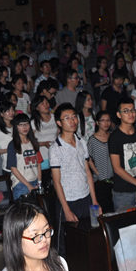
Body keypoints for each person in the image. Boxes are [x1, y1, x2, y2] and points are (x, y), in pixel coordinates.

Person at [49, 103, 100, 255]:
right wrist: (66, 210)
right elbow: (57, 182)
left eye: (74, 117)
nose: (72, 121)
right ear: (59, 123)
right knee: (65, 244)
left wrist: (94, 201)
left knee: (88, 238)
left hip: (85, 198)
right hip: (68, 201)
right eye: (67, 118)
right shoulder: (55, 148)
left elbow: (88, 172)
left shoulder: (81, 142)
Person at [6, 113, 43, 199]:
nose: (25, 127)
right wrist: (28, 185)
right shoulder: (13, 145)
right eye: (21, 125)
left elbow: (39, 163)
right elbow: (13, 168)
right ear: (16, 127)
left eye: (27, 124)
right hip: (21, 184)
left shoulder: (33, 142)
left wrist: (39, 182)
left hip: (35, 181)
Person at [88, 110, 114, 213]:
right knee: (104, 209)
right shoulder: (92, 140)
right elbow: (88, 158)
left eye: (108, 120)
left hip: (113, 177)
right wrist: (97, 172)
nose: (106, 123)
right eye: (103, 120)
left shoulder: (112, 136)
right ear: (97, 123)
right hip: (100, 180)